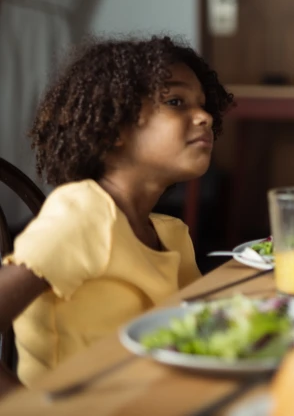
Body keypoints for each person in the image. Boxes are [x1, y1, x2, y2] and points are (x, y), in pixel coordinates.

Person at [0, 37, 232, 392]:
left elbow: (201, 330)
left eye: (203, 106)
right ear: (115, 126)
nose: (204, 117)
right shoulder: (81, 214)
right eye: (175, 102)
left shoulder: (171, 233)